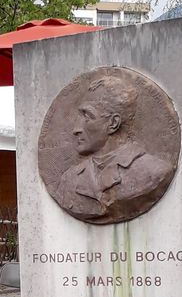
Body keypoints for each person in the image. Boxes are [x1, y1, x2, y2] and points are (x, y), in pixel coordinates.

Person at [57, 75, 173, 224]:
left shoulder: (154, 172)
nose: (76, 129)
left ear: (113, 123)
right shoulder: (69, 180)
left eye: (88, 117)